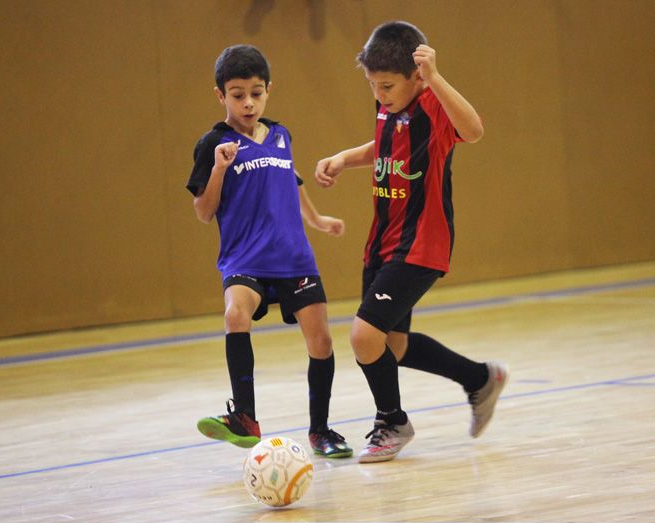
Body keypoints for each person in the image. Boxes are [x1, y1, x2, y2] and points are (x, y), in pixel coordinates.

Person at [314, 21, 509, 463]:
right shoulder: (388, 108)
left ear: (416, 77)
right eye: (372, 85)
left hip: (421, 243)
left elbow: (474, 130)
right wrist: (345, 158)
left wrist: (436, 78)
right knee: (392, 347)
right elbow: (384, 148)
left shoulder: (432, 106)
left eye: (386, 85)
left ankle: (392, 423)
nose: (379, 94)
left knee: (364, 336)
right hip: (383, 242)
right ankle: (480, 378)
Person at [187, 44, 352, 458]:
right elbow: (204, 212)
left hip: (294, 257)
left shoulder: (281, 135)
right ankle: (244, 416)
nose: (248, 102)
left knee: (322, 344)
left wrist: (316, 220)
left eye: (256, 93)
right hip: (245, 259)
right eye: (238, 94)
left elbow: (291, 181)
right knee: (234, 314)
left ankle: (321, 431)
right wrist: (220, 169)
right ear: (220, 95)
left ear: (268, 91)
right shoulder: (214, 143)